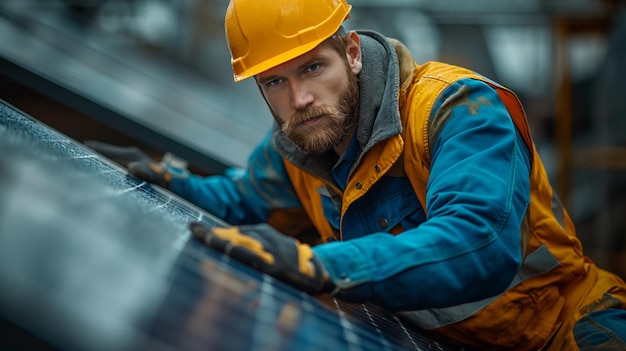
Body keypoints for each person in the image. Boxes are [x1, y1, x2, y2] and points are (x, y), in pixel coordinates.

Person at [88, 0, 626, 349]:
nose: (298, 98)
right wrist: (165, 180)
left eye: (312, 68)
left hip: (568, 332)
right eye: (273, 83)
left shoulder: (455, 109)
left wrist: (321, 265)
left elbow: (477, 242)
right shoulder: (300, 141)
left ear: (351, 53)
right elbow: (242, 199)